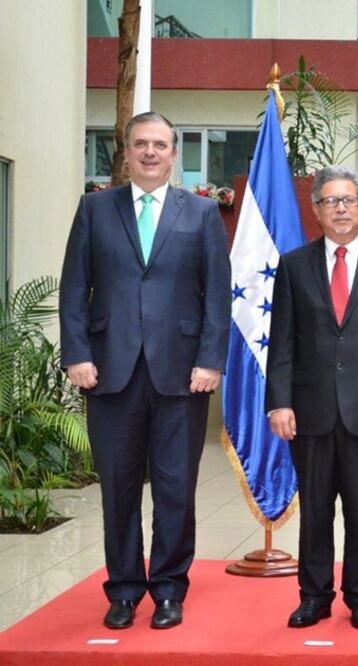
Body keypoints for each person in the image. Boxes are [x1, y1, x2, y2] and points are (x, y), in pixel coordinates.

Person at [59, 111, 231, 630]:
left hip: (181, 376)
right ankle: (124, 590)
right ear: (126, 151)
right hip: (108, 372)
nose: (151, 153)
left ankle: (170, 588)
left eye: (160, 145)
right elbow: (73, 288)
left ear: (174, 154)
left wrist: (210, 360)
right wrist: (76, 353)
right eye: (141, 144)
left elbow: (217, 297)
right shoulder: (94, 208)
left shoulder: (200, 215)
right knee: (119, 487)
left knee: (177, 487)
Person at [266, 165, 358, 630]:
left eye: (349, 200)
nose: (341, 209)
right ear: (316, 210)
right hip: (308, 411)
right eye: (331, 201)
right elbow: (283, 341)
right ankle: (314, 596)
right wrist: (279, 402)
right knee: (314, 511)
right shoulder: (293, 265)